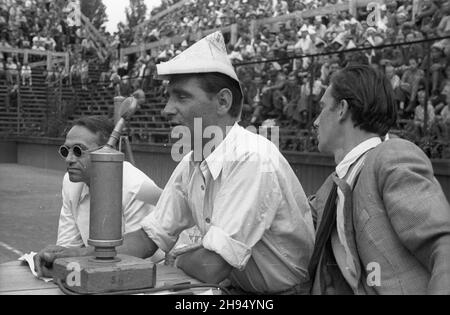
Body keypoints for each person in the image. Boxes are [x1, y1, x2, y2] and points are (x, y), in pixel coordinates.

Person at [35, 32, 316, 295]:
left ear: (222, 101)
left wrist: (176, 257)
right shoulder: (193, 161)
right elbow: (149, 238)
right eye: (169, 96)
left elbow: (211, 267)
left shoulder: (252, 158)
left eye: (181, 96)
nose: (167, 109)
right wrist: (81, 253)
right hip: (237, 290)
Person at [308, 64, 450, 295]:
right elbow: (294, 215)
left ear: (342, 109)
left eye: (323, 107)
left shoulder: (391, 155)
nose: (315, 121)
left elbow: (443, 246)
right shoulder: (332, 185)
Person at [34, 116, 163, 277]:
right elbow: (68, 246)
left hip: (152, 274)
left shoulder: (139, 188)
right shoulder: (70, 181)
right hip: (97, 268)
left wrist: (75, 258)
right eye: (65, 151)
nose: (69, 159)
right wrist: (54, 259)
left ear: (107, 150)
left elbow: (140, 253)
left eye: (78, 151)